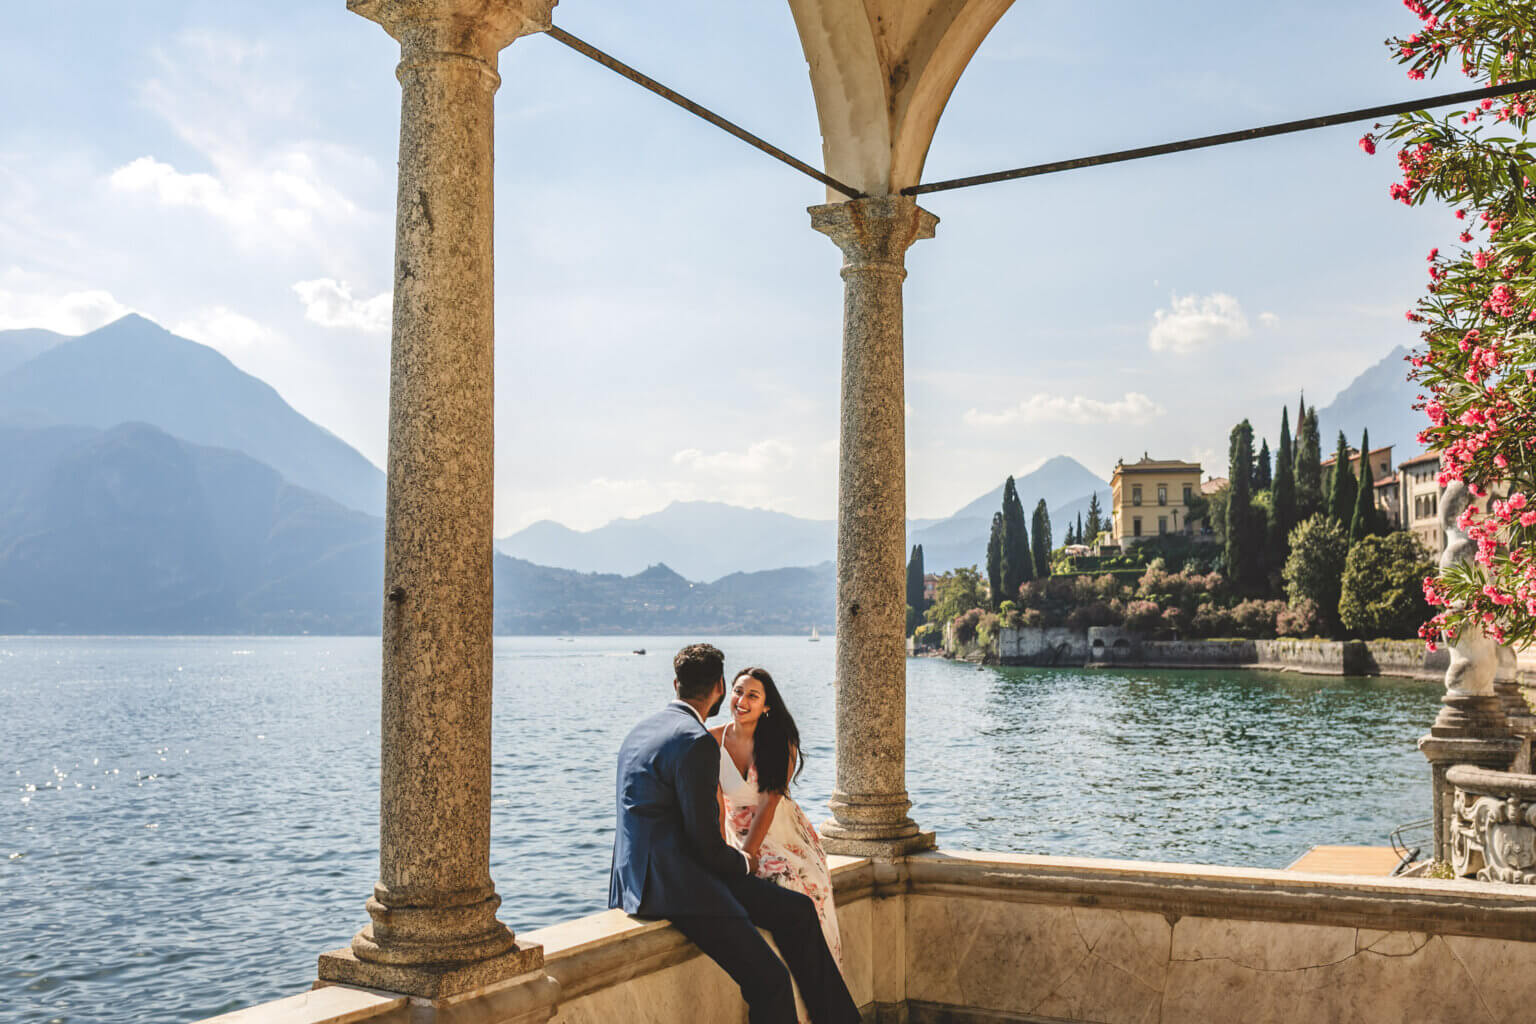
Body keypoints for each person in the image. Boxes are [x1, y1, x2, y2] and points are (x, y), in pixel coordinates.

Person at [609, 643, 859, 1024]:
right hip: (680, 887)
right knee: (771, 978)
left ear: (676, 683)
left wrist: (737, 862)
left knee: (796, 911)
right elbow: (705, 843)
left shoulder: (641, 731)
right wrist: (744, 861)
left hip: (651, 879)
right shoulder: (696, 742)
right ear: (720, 688)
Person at [711, 667, 842, 972]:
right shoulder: (710, 741)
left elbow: (769, 805)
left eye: (752, 695)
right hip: (738, 836)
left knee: (795, 889)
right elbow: (716, 808)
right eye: (738, 691)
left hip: (783, 835)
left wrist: (747, 856)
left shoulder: (780, 742)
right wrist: (723, 861)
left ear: (766, 706)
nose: (742, 700)